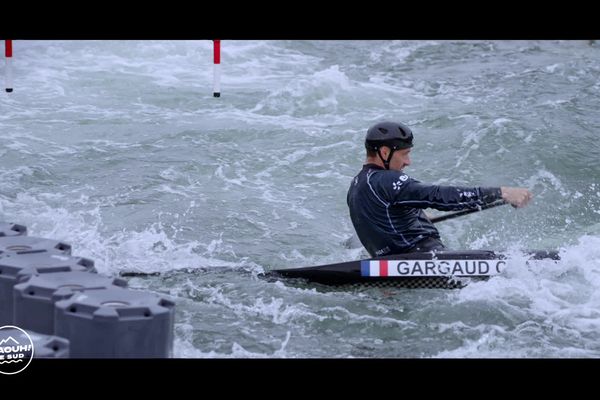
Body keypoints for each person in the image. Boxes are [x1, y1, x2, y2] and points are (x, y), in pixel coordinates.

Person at [347, 121, 533, 257]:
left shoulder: (357, 186)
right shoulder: (386, 180)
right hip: (423, 256)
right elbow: (439, 196)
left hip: (394, 266)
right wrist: (502, 193)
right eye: (405, 154)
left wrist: (416, 217)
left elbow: (383, 219)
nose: (407, 162)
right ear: (385, 152)